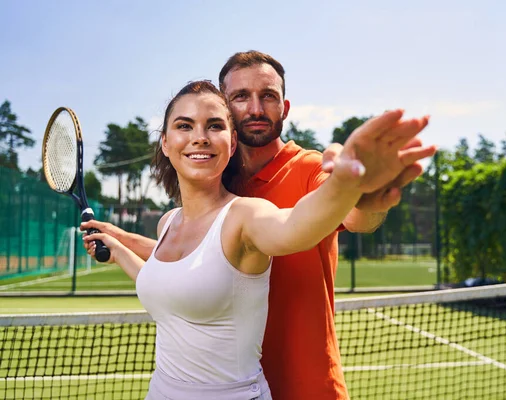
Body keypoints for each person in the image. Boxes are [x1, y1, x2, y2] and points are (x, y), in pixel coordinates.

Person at [82, 51, 436, 399]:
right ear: (227, 108)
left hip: (305, 386)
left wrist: (358, 190)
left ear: (284, 108)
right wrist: (122, 241)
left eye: (268, 96)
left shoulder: (308, 168)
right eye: (240, 97)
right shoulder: (213, 186)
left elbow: (344, 215)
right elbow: (200, 259)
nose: (255, 108)